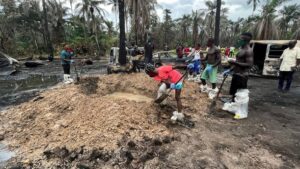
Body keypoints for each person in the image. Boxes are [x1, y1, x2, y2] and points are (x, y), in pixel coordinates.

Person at [223, 32, 254, 119]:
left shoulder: (249, 50)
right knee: (234, 93)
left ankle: (241, 113)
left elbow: (249, 64)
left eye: (241, 39)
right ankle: (234, 109)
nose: (239, 40)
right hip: (236, 73)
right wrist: (230, 70)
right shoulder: (241, 49)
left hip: (242, 75)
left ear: (246, 40)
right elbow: (238, 62)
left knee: (241, 95)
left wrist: (234, 62)